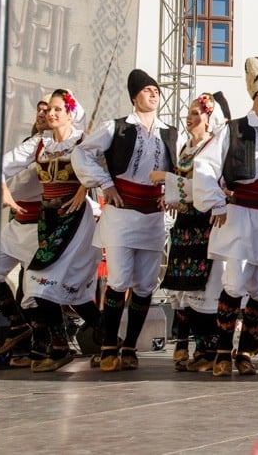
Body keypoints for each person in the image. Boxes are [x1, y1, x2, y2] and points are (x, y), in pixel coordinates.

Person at [194, 57, 258, 376]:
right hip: (240, 213)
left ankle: (247, 348)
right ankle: (224, 350)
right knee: (235, 281)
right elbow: (205, 166)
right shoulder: (234, 129)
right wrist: (217, 204)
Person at [73, 69, 179, 372]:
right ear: (134, 97)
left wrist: (170, 192)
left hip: (153, 217)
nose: (154, 94)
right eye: (147, 90)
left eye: (156, 90)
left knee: (145, 285)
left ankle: (131, 346)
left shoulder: (169, 132)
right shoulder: (116, 127)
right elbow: (82, 153)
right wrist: (105, 184)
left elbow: (181, 168)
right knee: (119, 280)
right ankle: (108, 345)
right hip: (121, 214)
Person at [2, 90, 102, 372]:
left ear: (70, 113)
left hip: (73, 218)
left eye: (58, 109)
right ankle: (110, 343)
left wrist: (84, 188)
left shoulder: (82, 140)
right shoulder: (40, 143)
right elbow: (1, 164)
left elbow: (104, 166)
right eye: (50, 110)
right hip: (48, 218)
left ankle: (59, 348)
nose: (52, 114)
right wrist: (5, 193)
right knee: (77, 293)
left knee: (35, 281)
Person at [150, 92, 229, 372]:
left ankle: (209, 348)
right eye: (191, 112)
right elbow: (184, 186)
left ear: (209, 120)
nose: (191, 117)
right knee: (183, 287)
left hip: (205, 224)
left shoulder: (213, 146)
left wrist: (168, 180)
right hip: (185, 226)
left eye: (198, 113)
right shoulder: (186, 148)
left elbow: (202, 184)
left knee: (204, 287)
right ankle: (194, 346)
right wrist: (169, 195)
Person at [0, 97, 51, 366]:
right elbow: (5, 172)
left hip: (37, 228)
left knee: (33, 291)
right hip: (17, 224)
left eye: (48, 109)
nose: (42, 113)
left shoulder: (55, 148)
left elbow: (26, 183)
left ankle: (42, 347)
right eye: (39, 109)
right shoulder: (27, 147)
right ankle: (17, 327)